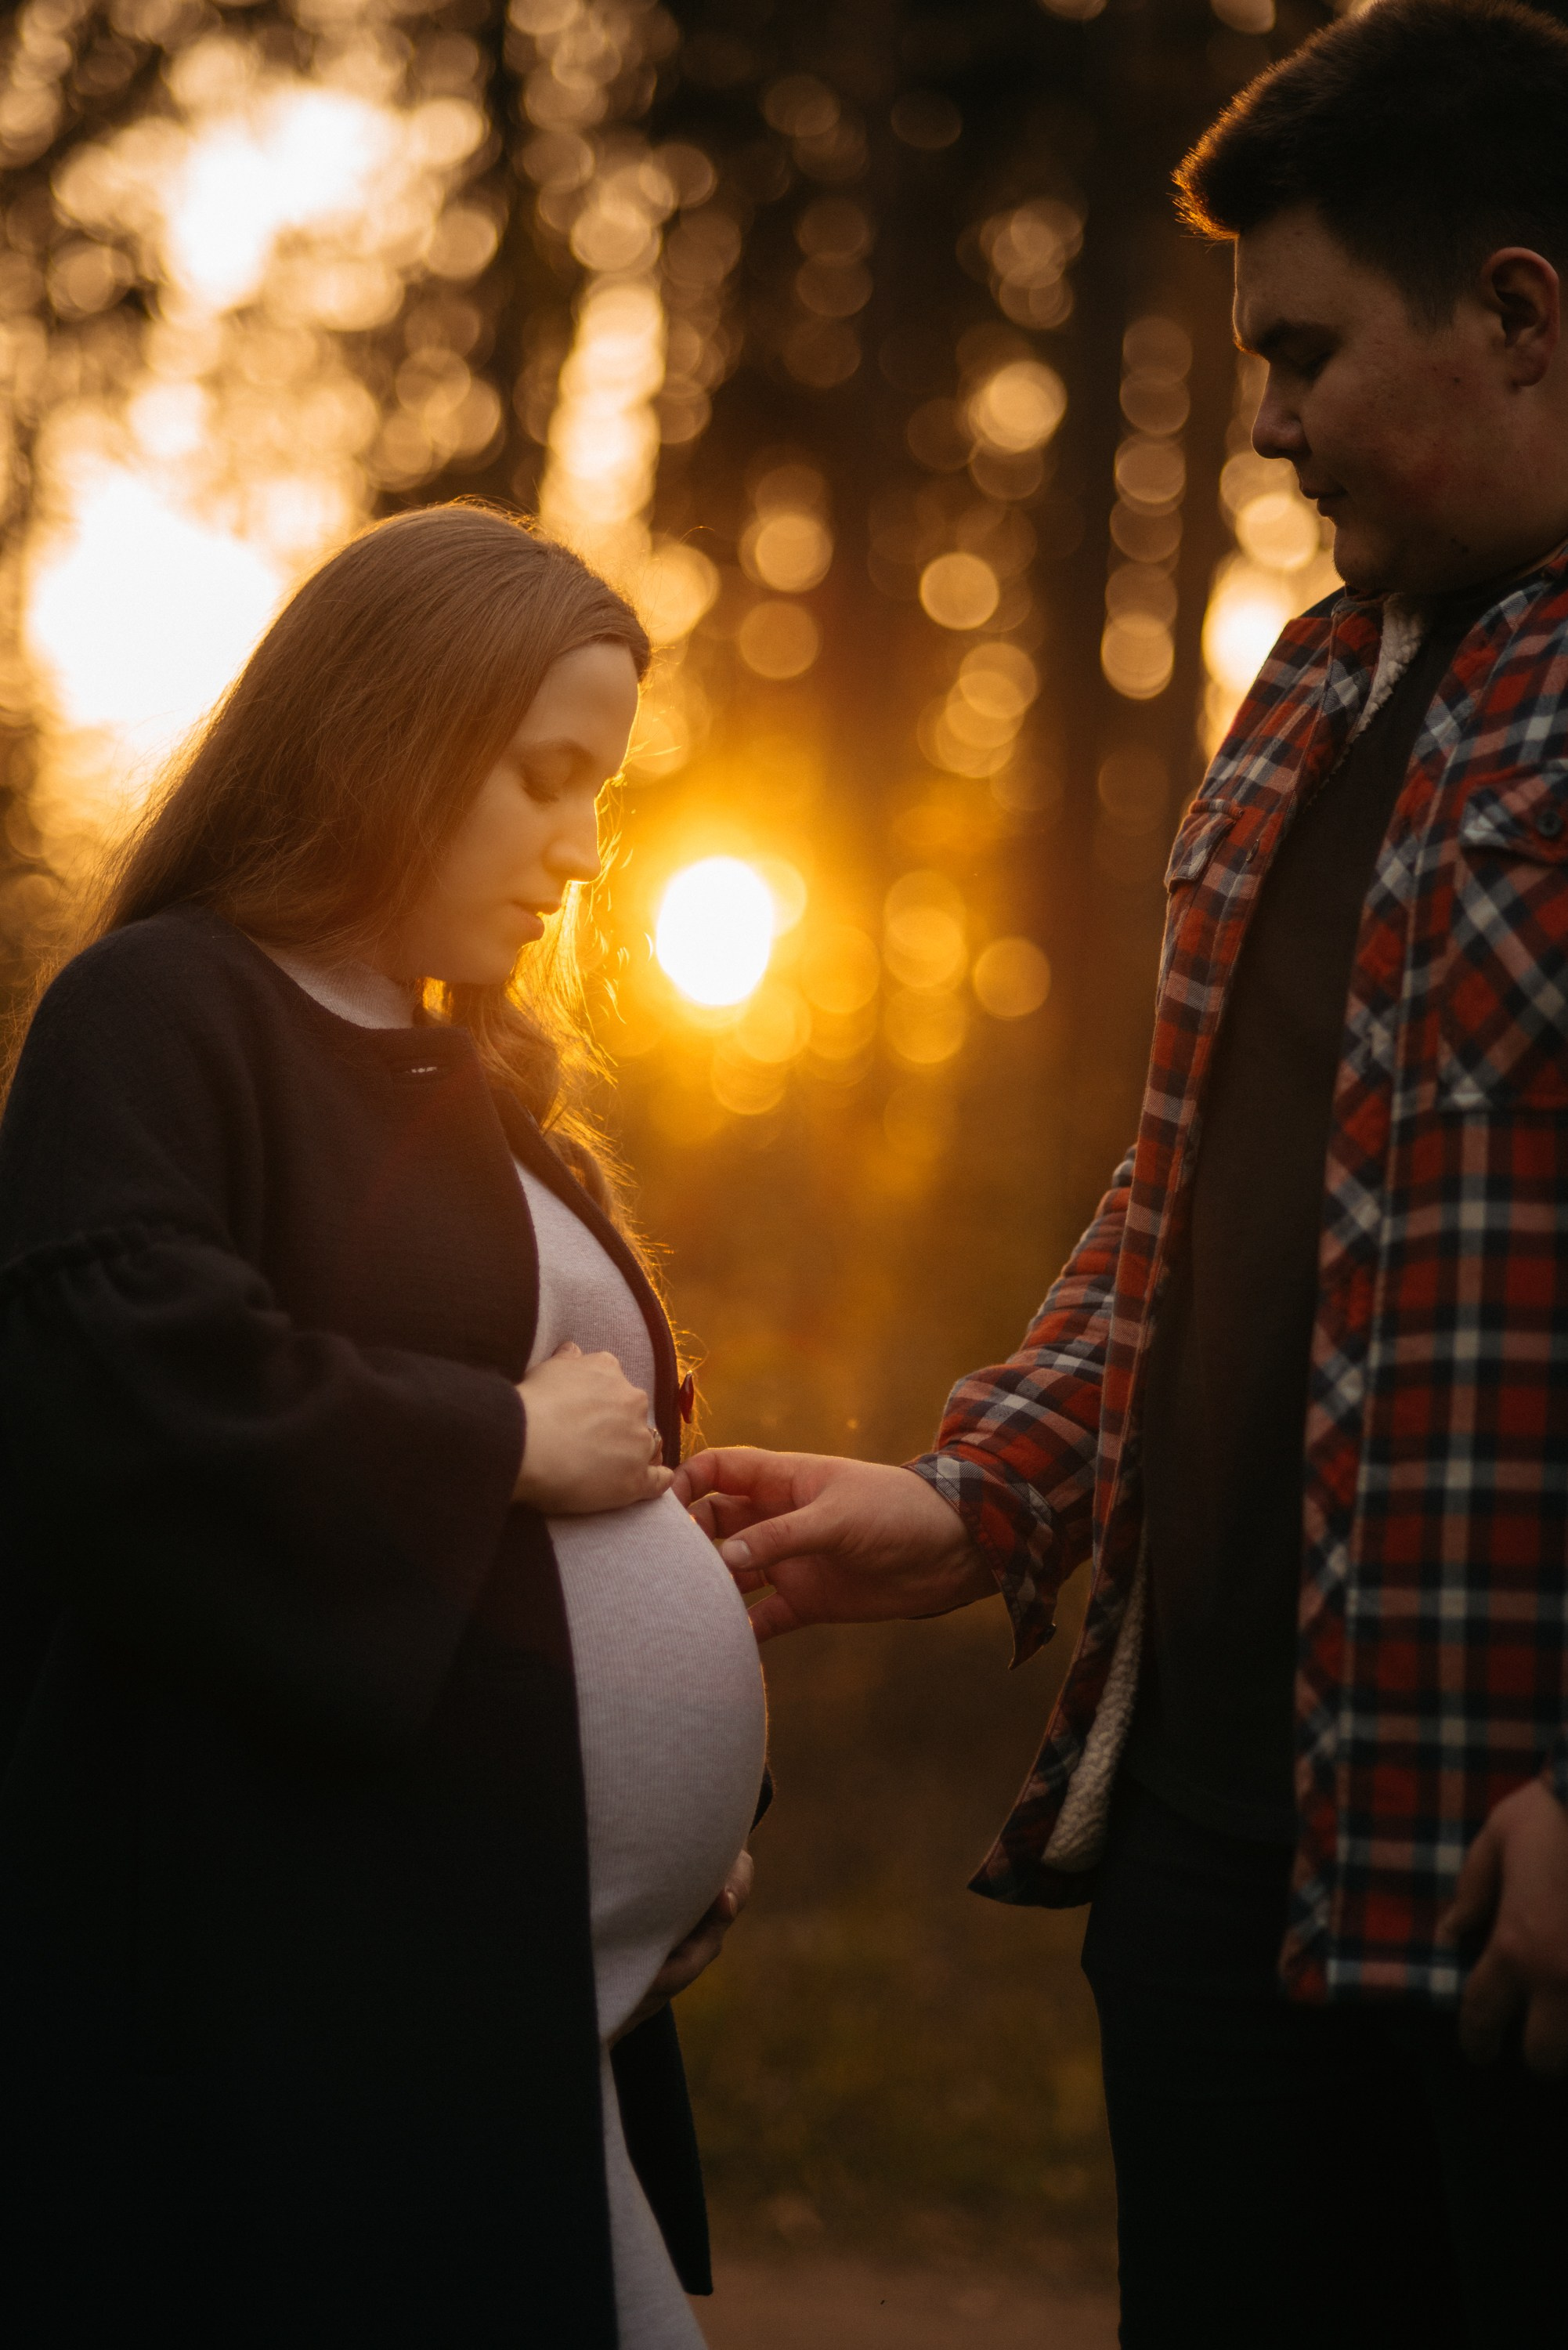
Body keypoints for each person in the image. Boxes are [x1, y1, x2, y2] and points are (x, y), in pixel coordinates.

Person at [677, 5, 1568, 2343]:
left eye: (1301, 351)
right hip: (1214, 1846)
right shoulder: (1307, 686)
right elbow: (1189, 1187)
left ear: (1517, 311)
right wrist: (987, 1494)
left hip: (1510, 1873)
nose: (1260, 420)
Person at [0, 502, 767, 2349]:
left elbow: (588, 1530)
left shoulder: (482, 1090)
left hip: (518, 1982)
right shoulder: (166, 1007)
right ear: (390, 733)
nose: (582, 852)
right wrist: (491, 1443)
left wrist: (706, 1794)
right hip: (309, 1994)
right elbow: (125, 1380)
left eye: (603, 794)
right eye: (544, 778)